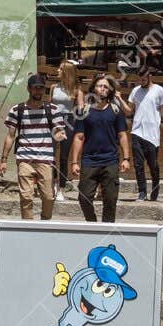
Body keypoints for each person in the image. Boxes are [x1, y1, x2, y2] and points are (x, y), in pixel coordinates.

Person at [0, 74, 68, 220]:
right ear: (29, 89)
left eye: (41, 88)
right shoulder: (17, 110)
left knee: (48, 197)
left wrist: (59, 135)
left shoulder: (53, 110)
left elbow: (58, 133)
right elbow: (10, 135)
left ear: (44, 90)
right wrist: (4, 159)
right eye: (35, 88)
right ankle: (28, 225)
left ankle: (44, 223)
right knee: (25, 197)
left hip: (46, 159)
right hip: (25, 158)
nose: (38, 91)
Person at [69, 75, 131, 223]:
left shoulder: (116, 111)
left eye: (105, 87)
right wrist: (74, 162)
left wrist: (126, 158)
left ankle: (107, 227)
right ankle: (92, 223)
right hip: (89, 160)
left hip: (110, 160)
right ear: (93, 89)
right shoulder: (84, 111)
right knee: (84, 197)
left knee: (110, 199)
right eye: (99, 86)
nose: (102, 89)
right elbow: (79, 137)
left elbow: (122, 135)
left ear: (109, 91)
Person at [126, 64, 163, 202]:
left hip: (152, 133)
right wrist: (118, 99)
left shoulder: (159, 90)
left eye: (144, 79)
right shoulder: (135, 91)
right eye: (140, 79)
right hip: (136, 131)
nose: (141, 82)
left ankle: (155, 190)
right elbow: (129, 110)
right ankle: (142, 192)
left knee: (153, 165)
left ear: (149, 76)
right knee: (138, 164)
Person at [50, 61, 86, 201]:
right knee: (51, 154)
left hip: (69, 120)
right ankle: (53, 183)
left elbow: (81, 109)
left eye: (60, 69)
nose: (57, 71)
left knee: (64, 156)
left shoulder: (76, 89)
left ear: (67, 72)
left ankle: (61, 187)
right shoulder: (54, 87)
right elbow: (50, 104)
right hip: (54, 120)